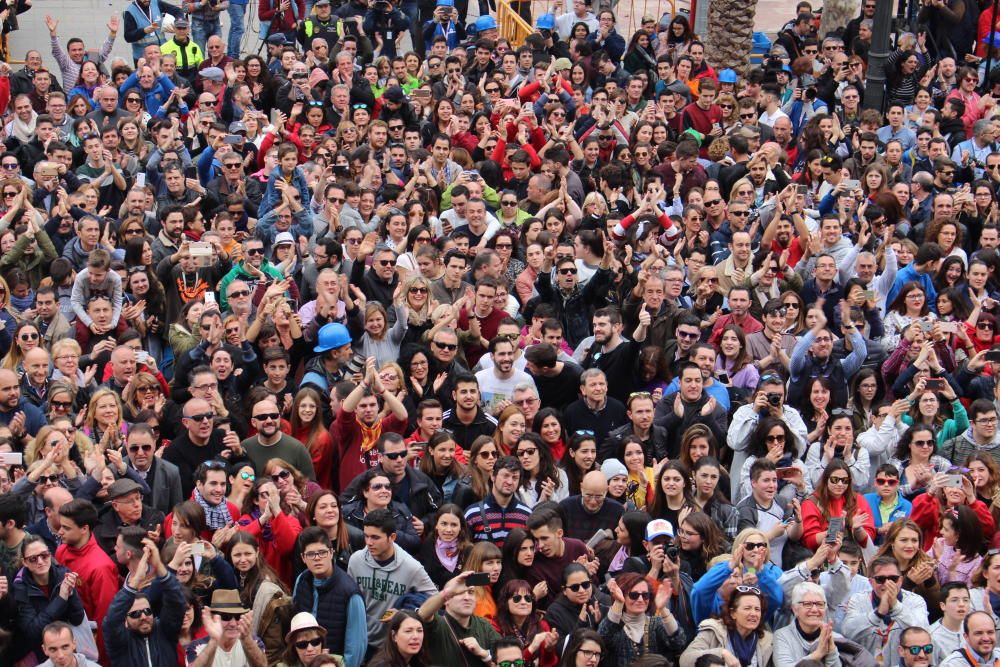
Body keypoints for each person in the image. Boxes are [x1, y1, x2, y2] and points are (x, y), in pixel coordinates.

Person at [347, 508, 437, 650]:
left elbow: (435, 600)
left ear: (392, 537)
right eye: (366, 536)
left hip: (394, 646)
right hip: (362, 641)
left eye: (375, 537)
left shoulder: (411, 566)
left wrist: (406, 613)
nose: (369, 542)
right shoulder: (356, 560)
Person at [290, 527, 367, 667]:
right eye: (311, 554)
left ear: (331, 553)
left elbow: (355, 650)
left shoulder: (349, 592)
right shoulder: (301, 580)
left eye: (322, 552)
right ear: (303, 558)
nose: (317, 558)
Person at [842, 556, 930, 665]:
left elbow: (923, 631)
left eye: (893, 579)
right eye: (880, 579)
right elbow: (847, 632)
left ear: (901, 580)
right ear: (871, 581)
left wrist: (896, 606)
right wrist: (878, 614)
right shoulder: (858, 599)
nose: (887, 584)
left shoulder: (915, 600)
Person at [679, 587, 773, 667]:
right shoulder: (714, 629)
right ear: (732, 613)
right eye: (747, 608)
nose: (753, 614)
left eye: (757, 609)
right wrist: (721, 653)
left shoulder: (767, 640)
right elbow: (685, 660)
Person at [772, 582, 841, 665]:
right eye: (807, 604)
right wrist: (818, 654)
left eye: (820, 604)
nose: (815, 609)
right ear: (795, 609)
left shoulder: (835, 638)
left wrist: (832, 651)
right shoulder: (782, 636)